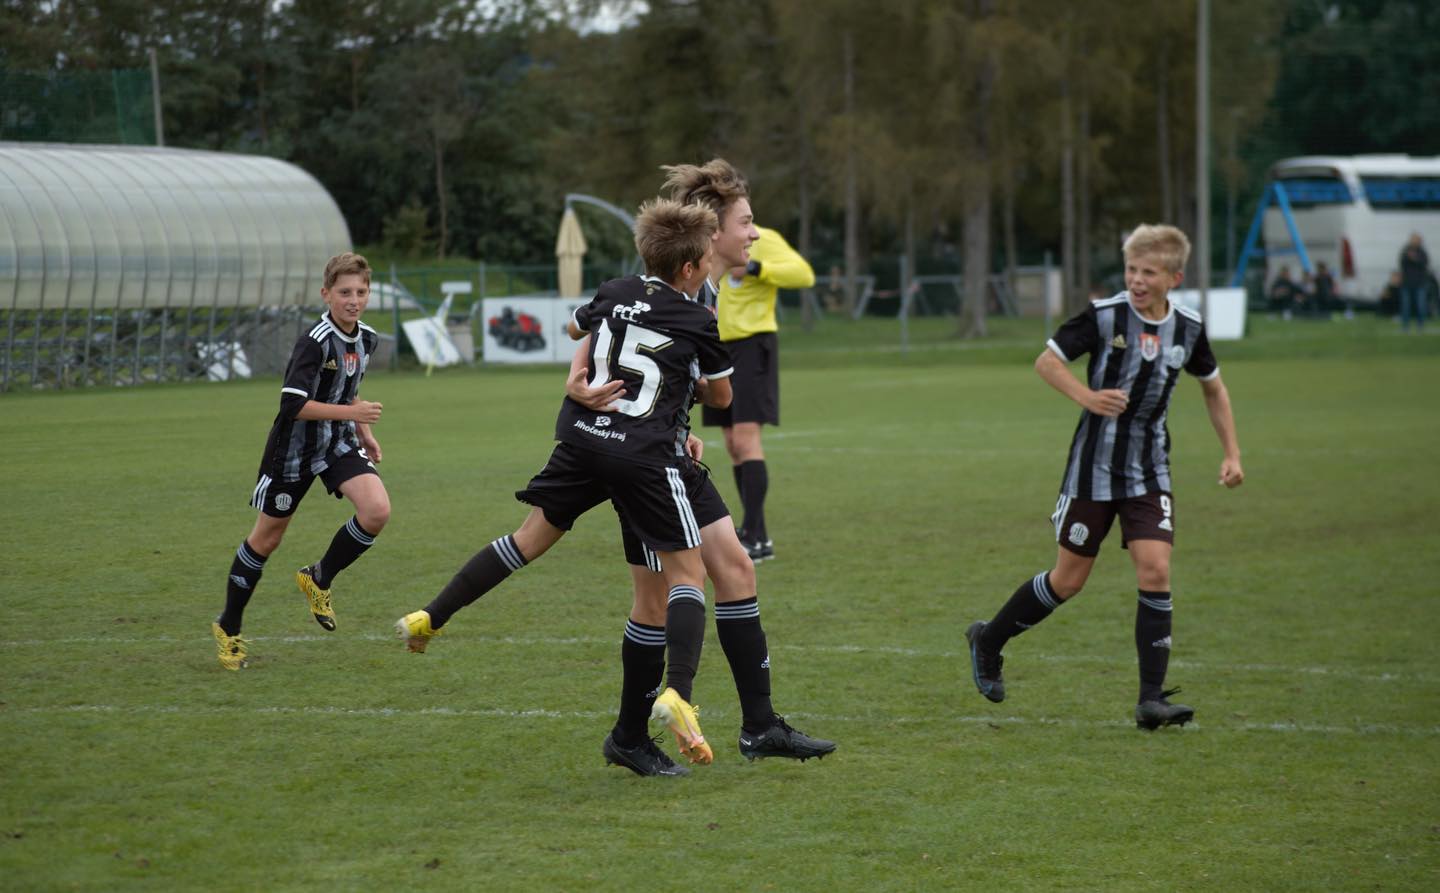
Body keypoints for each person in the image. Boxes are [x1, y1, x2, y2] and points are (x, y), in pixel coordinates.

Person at [394, 199, 733, 776]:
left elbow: (579, 325)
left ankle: (431, 615)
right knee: (686, 574)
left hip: (582, 439)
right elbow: (722, 397)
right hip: (646, 457)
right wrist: (682, 389)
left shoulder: (614, 288)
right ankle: (677, 691)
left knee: (526, 539)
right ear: (690, 268)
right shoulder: (698, 317)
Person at [565, 158, 836, 776]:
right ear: (711, 235)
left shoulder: (706, 288)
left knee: (735, 568)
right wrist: (576, 384)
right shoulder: (670, 284)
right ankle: (632, 736)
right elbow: (592, 333)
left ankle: (759, 726)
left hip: (666, 453)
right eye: (747, 222)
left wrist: (682, 428)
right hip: (639, 460)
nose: (754, 233)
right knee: (654, 599)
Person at [964, 224, 1244, 730]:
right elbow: (1047, 362)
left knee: (1155, 569)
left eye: (1149, 272)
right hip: (1092, 469)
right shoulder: (1104, 316)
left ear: (1174, 277)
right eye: (1132, 269)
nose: (1137, 280)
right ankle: (989, 639)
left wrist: (1232, 453)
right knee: (1068, 581)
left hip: (1149, 470)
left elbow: (1213, 389)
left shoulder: (1188, 327)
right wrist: (1088, 397)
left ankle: (1151, 700)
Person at [210, 252, 389, 670]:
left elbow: (347, 391)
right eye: (345, 292)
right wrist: (354, 416)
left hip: (337, 443)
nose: (354, 300)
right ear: (326, 294)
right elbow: (293, 405)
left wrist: (364, 431)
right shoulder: (315, 341)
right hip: (291, 452)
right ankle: (229, 626)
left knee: (377, 510)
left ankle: (318, 577)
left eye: (361, 292)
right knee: (266, 540)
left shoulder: (367, 339)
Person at [702, 222, 815, 562]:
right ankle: (759, 537)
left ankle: (750, 533)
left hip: (753, 345)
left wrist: (754, 267)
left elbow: (803, 275)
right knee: (733, 443)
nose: (747, 227)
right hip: (718, 348)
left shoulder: (763, 240)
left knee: (747, 437)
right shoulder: (710, 242)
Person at [1398, 233, 1430, 332]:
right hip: (1406, 283)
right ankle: (1405, 327)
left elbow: (1425, 263)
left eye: (1417, 239)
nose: (1415, 241)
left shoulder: (1422, 252)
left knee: (1421, 306)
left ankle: (1420, 326)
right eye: (1413, 239)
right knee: (1405, 306)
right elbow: (1401, 262)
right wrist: (1409, 257)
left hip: (1420, 283)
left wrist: (1414, 259)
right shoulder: (1405, 251)